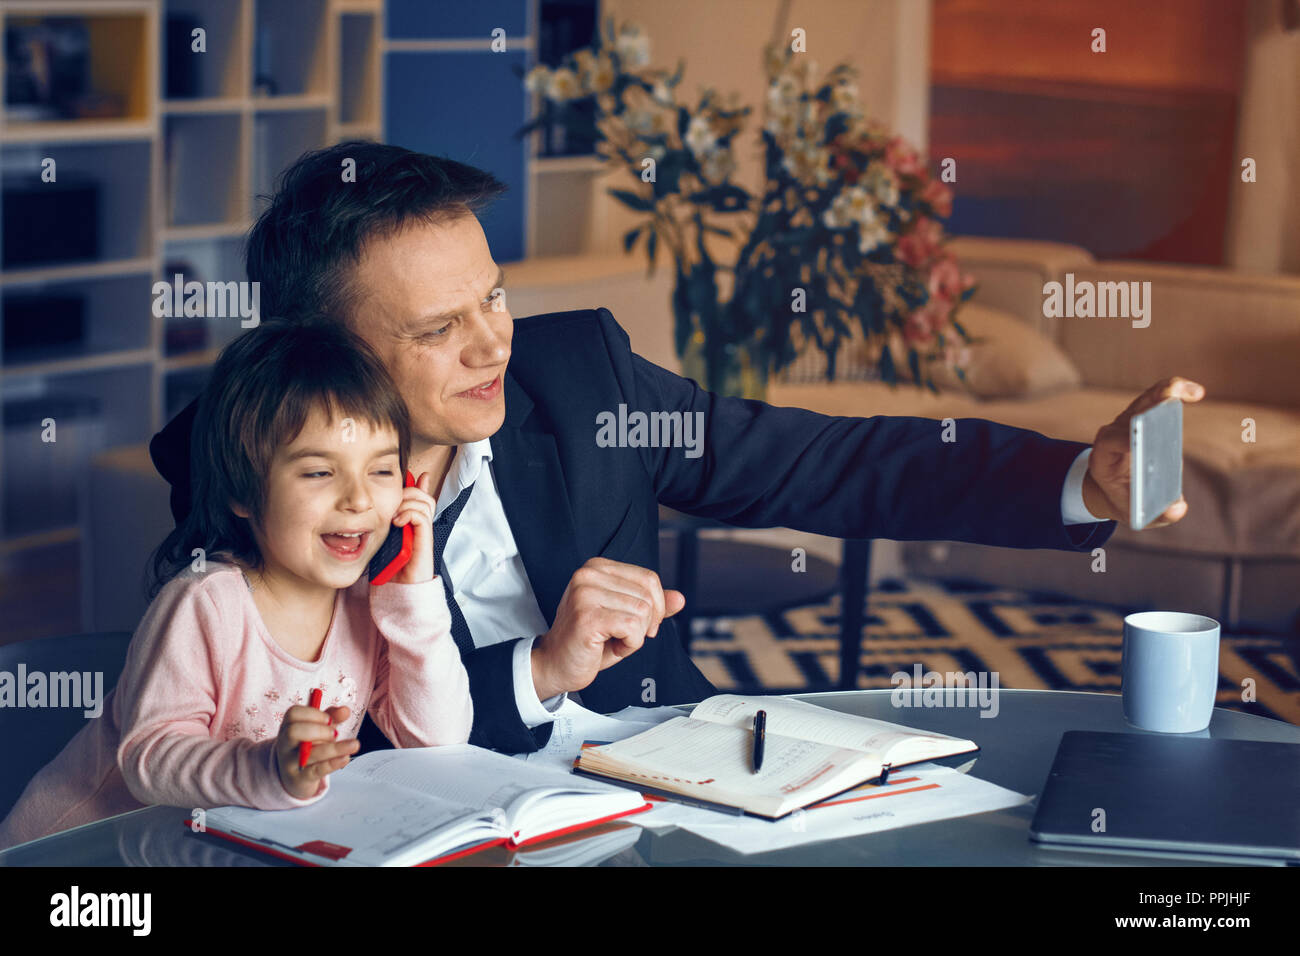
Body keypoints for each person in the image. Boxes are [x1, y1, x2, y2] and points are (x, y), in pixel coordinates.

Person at [149, 141, 1204, 757]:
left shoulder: (578, 381)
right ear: (320, 352)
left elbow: (822, 462)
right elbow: (273, 745)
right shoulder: (256, 471)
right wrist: (535, 669)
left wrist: (1078, 476)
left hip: (672, 782)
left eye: (495, 298)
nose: (491, 347)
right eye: (438, 330)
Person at [0, 321, 471, 850]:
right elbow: (149, 759)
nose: (359, 501)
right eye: (319, 473)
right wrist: (269, 768)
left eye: (382, 472)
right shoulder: (206, 601)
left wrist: (416, 596)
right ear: (244, 492)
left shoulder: (373, 606)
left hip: (209, 849)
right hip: (78, 854)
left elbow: (438, 739)